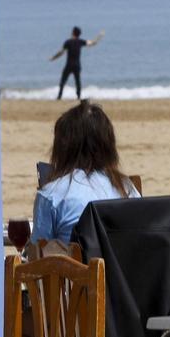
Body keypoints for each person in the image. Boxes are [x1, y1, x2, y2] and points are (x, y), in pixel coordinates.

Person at [30, 100, 140, 244]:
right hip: (123, 266)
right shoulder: (127, 189)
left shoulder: (52, 195)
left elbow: (38, 256)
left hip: (77, 266)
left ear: (62, 148)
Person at [49, 26, 104, 101]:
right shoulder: (80, 42)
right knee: (77, 81)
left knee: (63, 80)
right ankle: (78, 96)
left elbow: (61, 52)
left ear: (73, 32)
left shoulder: (68, 42)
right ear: (79, 34)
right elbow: (93, 43)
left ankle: (59, 96)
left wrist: (53, 58)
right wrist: (99, 36)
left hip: (69, 64)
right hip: (77, 65)